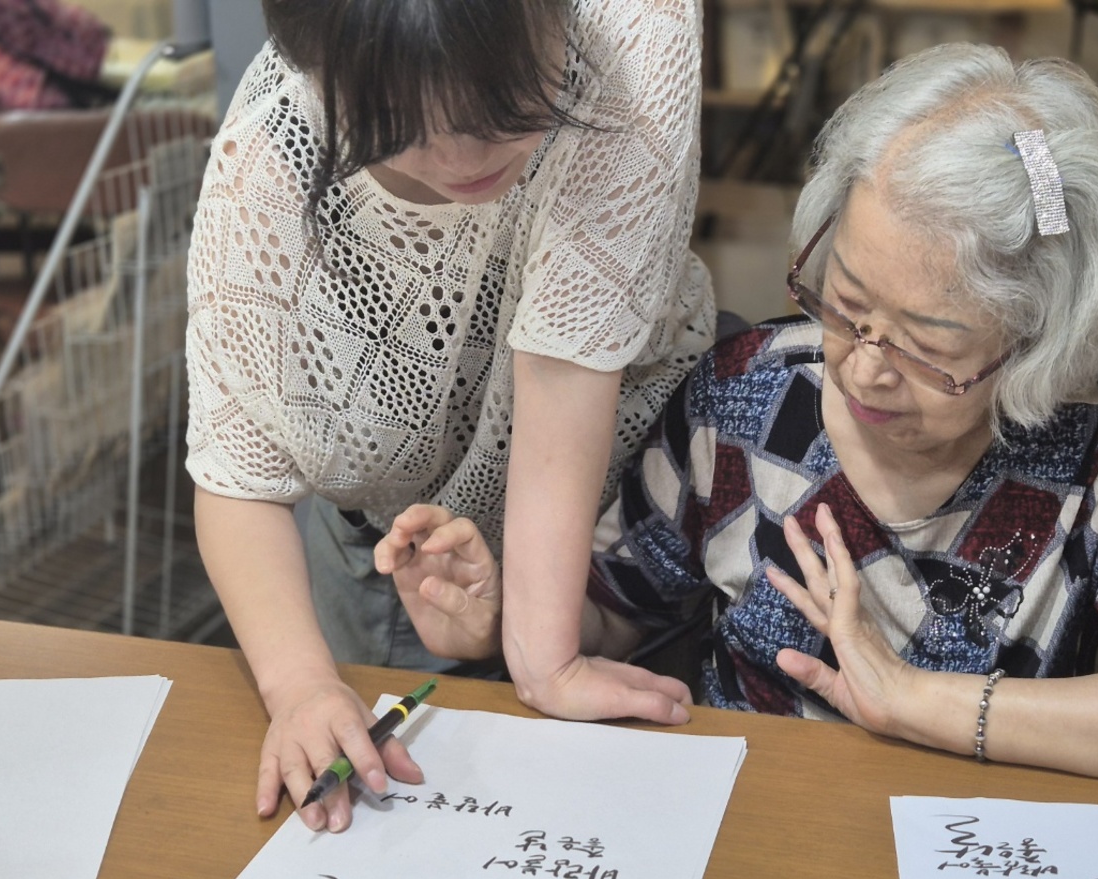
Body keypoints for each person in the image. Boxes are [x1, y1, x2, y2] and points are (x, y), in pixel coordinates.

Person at [376, 42, 1098, 783]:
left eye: (929, 346)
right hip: (740, 834)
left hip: (964, 858)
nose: (866, 368)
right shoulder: (750, 395)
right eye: (846, 302)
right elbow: (617, 609)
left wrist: (912, 700)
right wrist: (498, 616)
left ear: (1042, 344)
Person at [186, 0, 713, 832]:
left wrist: (544, 657)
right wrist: (299, 684)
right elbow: (238, 475)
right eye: (401, 128)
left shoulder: (634, 30)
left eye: (505, 109)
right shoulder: (267, 168)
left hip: (623, 505)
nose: (467, 160)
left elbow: (563, 358)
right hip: (394, 538)